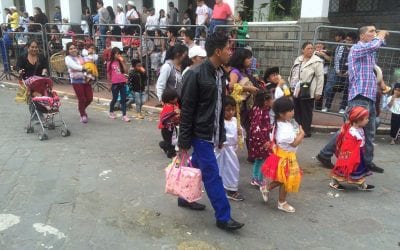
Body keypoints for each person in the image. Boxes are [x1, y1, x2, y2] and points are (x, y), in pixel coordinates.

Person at [178, 32, 244, 231]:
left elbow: (219, 108)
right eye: (227, 48)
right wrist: (183, 142)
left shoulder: (220, 73)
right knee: (213, 175)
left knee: (196, 166)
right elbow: (187, 110)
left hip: (212, 132)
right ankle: (223, 217)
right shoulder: (195, 74)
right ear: (218, 51)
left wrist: (221, 135)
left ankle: (184, 197)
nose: (230, 52)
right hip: (200, 134)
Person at [316, 25, 389, 174]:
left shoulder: (369, 51)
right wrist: (380, 34)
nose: (374, 33)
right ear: (362, 36)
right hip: (359, 97)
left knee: (370, 131)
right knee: (349, 130)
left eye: (375, 31)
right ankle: (325, 154)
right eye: (371, 31)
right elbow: (376, 43)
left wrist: (380, 82)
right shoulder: (356, 48)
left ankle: (367, 161)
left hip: (369, 96)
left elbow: (376, 53)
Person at [260, 96, 304, 213]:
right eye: (290, 111)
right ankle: (282, 202)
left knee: (283, 179)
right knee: (286, 180)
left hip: (283, 155)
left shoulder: (282, 123)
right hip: (286, 157)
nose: (292, 112)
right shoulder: (284, 129)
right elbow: (294, 143)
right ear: (281, 113)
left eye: (292, 110)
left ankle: (266, 188)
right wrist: (302, 134)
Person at [330, 106, 374, 191]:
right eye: (366, 119)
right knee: (343, 169)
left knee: (359, 169)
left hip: (358, 153)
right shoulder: (352, 132)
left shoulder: (360, 129)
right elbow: (347, 146)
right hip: (350, 155)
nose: (368, 120)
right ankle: (334, 182)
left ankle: (362, 184)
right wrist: (352, 154)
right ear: (358, 120)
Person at [228, 48, 259, 162]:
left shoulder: (246, 71)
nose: (250, 60)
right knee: (235, 129)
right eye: (248, 58)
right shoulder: (235, 71)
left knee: (250, 129)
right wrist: (248, 88)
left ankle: (252, 154)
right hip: (238, 106)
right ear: (241, 59)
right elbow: (231, 86)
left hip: (247, 105)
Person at [288, 42, 324, 138]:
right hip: (296, 89)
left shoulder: (317, 61)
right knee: (297, 110)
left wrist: (318, 92)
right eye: (308, 48)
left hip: (309, 90)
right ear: (302, 50)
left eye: (312, 48)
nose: (310, 50)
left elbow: (320, 77)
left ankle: (306, 131)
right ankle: (297, 129)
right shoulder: (298, 59)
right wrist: (290, 84)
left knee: (306, 111)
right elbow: (293, 72)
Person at [215, 95, 244, 201]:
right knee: (223, 168)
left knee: (232, 168)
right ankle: (230, 190)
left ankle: (229, 187)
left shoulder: (235, 120)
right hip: (223, 149)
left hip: (231, 150)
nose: (231, 112)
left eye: (233, 109)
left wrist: (240, 133)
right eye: (227, 110)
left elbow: (240, 132)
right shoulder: (220, 122)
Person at [322, 32, 357, 113]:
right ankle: (327, 106)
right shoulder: (340, 46)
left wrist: (349, 71)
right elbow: (336, 59)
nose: (347, 42)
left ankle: (343, 107)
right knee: (332, 88)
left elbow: (355, 62)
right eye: (346, 39)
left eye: (349, 40)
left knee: (347, 90)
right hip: (338, 71)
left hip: (349, 73)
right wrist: (338, 70)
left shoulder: (356, 48)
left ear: (354, 41)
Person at [249, 91, 273, 187]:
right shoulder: (260, 111)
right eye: (271, 99)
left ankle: (256, 178)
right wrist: (264, 141)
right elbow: (257, 128)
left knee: (259, 159)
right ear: (265, 101)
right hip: (260, 140)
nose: (272, 100)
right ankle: (258, 179)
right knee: (261, 160)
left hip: (261, 139)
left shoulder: (261, 109)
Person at [64, 42, 93, 123]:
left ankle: (81, 108)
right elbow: (74, 66)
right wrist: (84, 68)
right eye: (71, 49)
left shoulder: (81, 56)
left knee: (90, 98)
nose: (73, 50)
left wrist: (91, 53)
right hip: (76, 81)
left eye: (74, 48)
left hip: (86, 80)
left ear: (77, 49)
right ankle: (83, 114)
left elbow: (91, 60)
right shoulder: (67, 58)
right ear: (68, 50)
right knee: (82, 99)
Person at [107, 47, 130, 122]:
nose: (118, 55)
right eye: (117, 53)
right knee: (115, 98)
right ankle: (111, 111)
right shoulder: (110, 63)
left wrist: (123, 62)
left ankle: (124, 115)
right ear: (113, 54)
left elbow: (126, 71)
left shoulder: (121, 62)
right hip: (115, 83)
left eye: (119, 53)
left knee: (123, 99)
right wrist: (109, 84)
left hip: (122, 82)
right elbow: (109, 74)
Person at [159, 89, 180, 158]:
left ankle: (164, 146)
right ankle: (171, 154)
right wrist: (174, 113)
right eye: (175, 98)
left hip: (172, 127)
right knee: (171, 142)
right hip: (166, 129)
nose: (177, 98)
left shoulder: (174, 104)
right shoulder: (167, 107)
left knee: (172, 141)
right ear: (170, 100)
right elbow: (164, 118)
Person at [314, 42, 332, 111]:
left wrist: (323, 55)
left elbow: (330, 60)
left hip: (323, 74)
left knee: (320, 90)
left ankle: (318, 107)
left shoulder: (327, 52)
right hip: (314, 74)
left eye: (320, 45)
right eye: (317, 45)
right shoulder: (313, 52)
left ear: (323, 46)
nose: (318, 46)